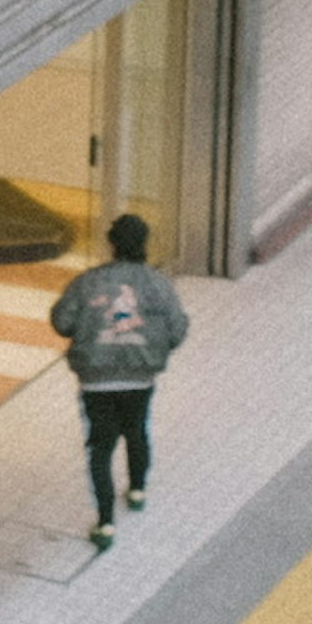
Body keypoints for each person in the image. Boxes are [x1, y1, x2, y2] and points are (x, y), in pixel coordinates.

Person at [49, 214, 187, 547]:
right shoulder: (157, 284)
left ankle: (106, 523)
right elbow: (177, 330)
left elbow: (62, 321)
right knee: (137, 430)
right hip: (140, 376)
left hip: (96, 379)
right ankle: (137, 489)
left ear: (112, 244)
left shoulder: (89, 283)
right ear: (145, 243)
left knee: (101, 448)